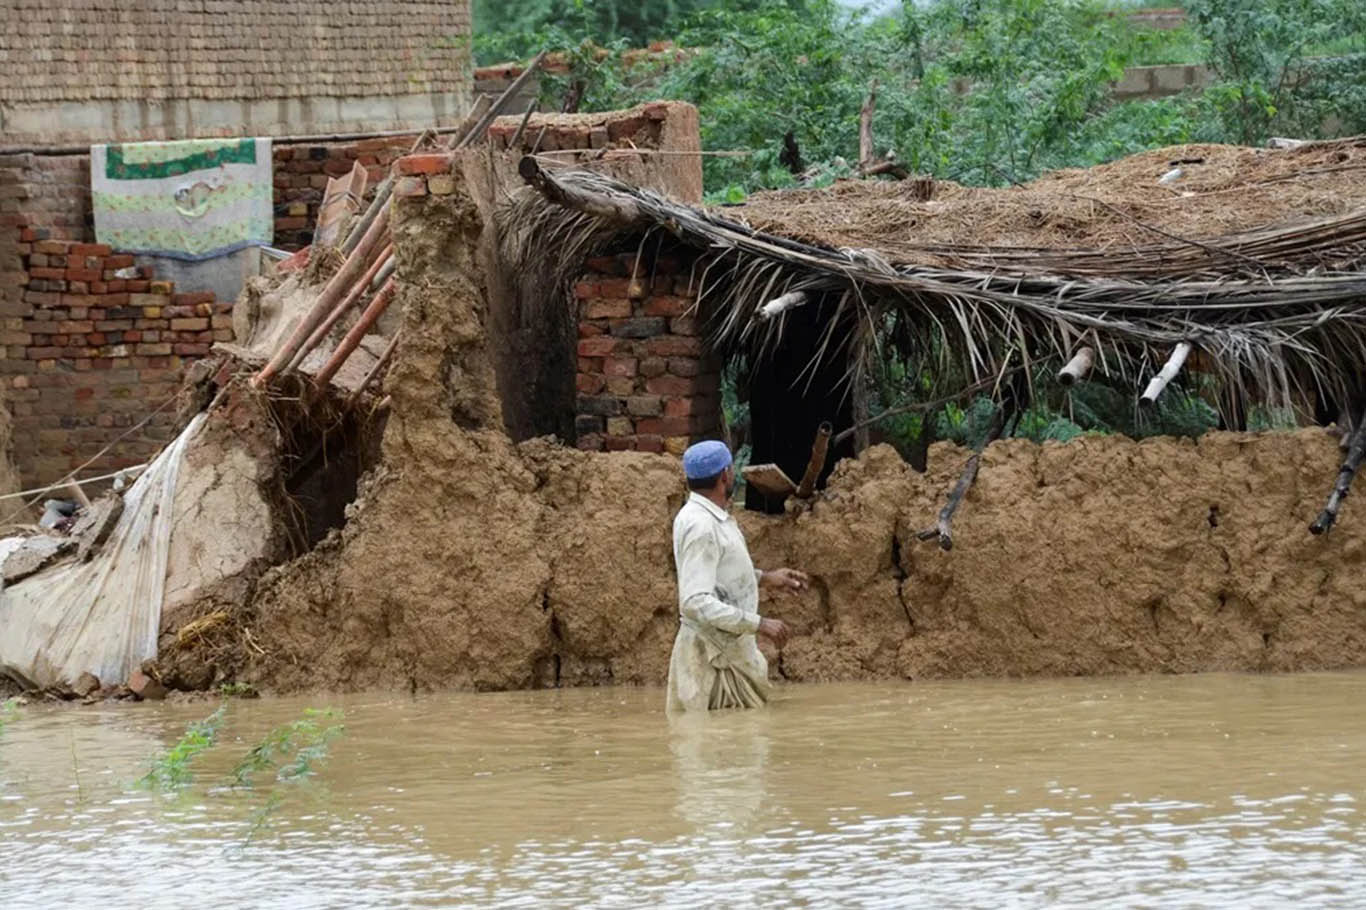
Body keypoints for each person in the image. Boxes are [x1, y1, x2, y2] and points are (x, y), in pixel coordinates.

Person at [666, 439, 809, 713]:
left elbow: (719, 574)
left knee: (735, 744)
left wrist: (765, 578)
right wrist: (760, 623)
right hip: (714, 661)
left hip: (728, 654)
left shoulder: (706, 516)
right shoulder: (701, 526)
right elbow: (695, 601)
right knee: (724, 744)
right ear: (725, 475)